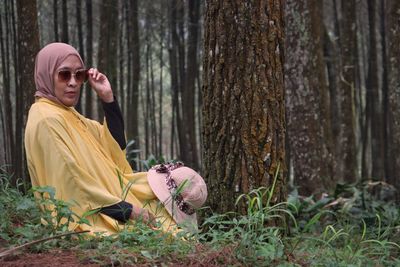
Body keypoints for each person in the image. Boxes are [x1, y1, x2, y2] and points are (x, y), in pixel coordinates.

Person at [24, 42, 207, 235]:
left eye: (79, 75)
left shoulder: (67, 114)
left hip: (108, 201)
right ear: (46, 75)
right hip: (86, 217)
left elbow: (114, 146)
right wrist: (128, 211)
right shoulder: (48, 118)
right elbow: (73, 184)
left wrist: (107, 98)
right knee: (168, 234)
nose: (73, 82)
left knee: (168, 220)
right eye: (64, 74)